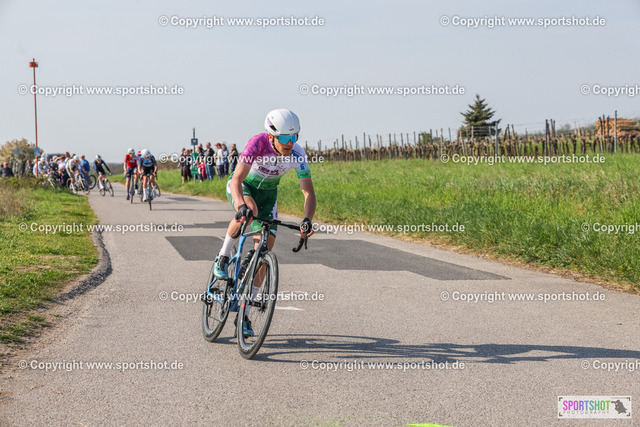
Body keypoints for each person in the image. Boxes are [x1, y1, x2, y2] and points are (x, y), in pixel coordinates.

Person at [213, 109, 316, 337]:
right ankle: (223, 256)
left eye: (294, 137)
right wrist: (241, 205)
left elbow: (308, 192)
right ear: (271, 136)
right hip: (244, 187)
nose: (290, 143)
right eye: (285, 138)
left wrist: (307, 220)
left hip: (269, 195)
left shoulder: (297, 154)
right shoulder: (257, 143)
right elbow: (237, 179)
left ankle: (244, 314)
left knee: (265, 251)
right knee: (250, 212)